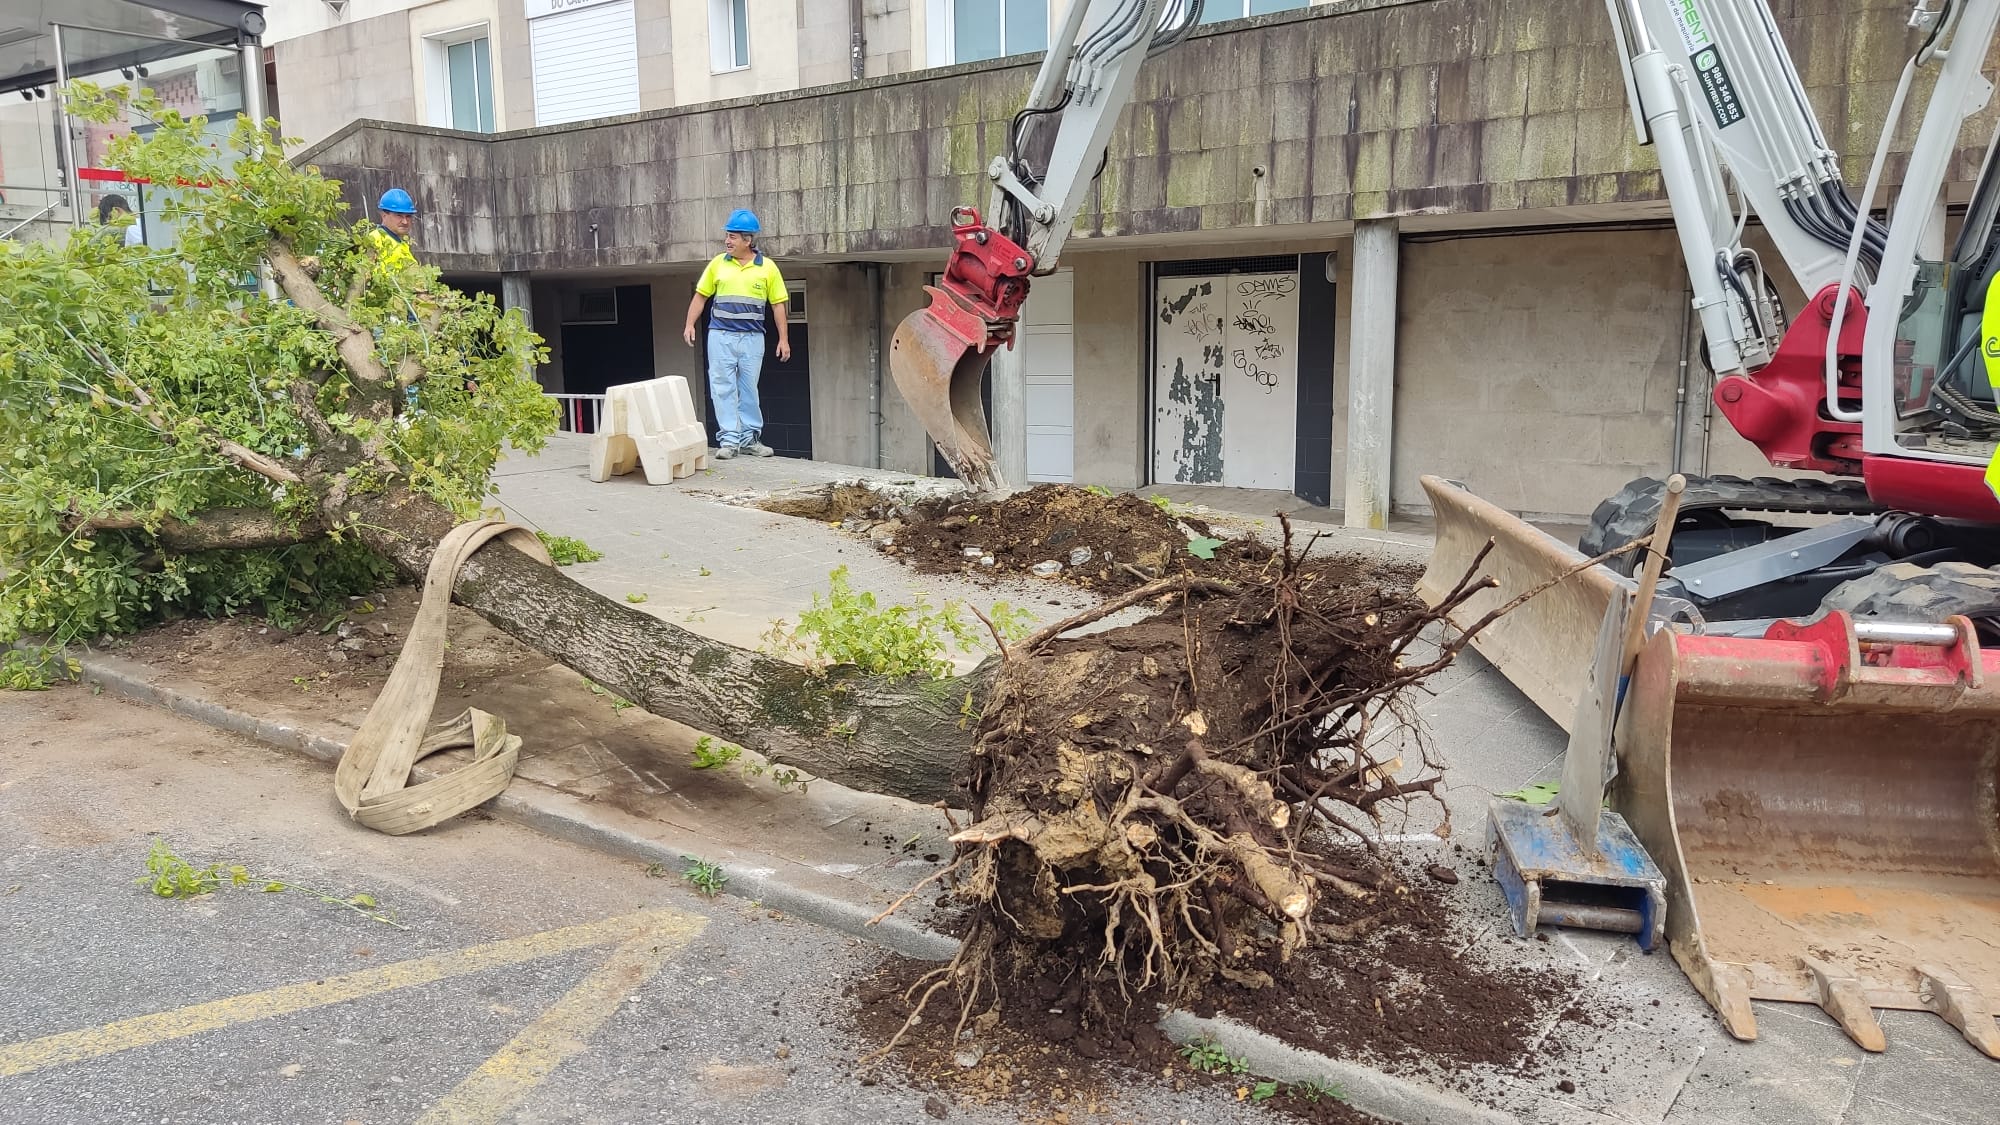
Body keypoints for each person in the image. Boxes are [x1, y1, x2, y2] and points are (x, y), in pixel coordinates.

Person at [683, 208, 790, 459]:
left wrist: (783, 339)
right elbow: (701, 297)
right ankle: (730, 440)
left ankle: (750, 439)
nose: (727, 241)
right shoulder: (717, 264)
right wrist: (689, 324)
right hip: (720, 336)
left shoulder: (768, 268)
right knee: (722, 387)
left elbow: (778, 305)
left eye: (732, 236)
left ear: (748, 240)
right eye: (727, 236)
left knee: (749, 388)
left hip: (753, 338)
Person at [368, 187, 419, 275]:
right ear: (384, 215)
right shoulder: (374, 239)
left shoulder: (402, 244)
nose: (405, 222)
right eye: (399, 216)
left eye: (408, 216)